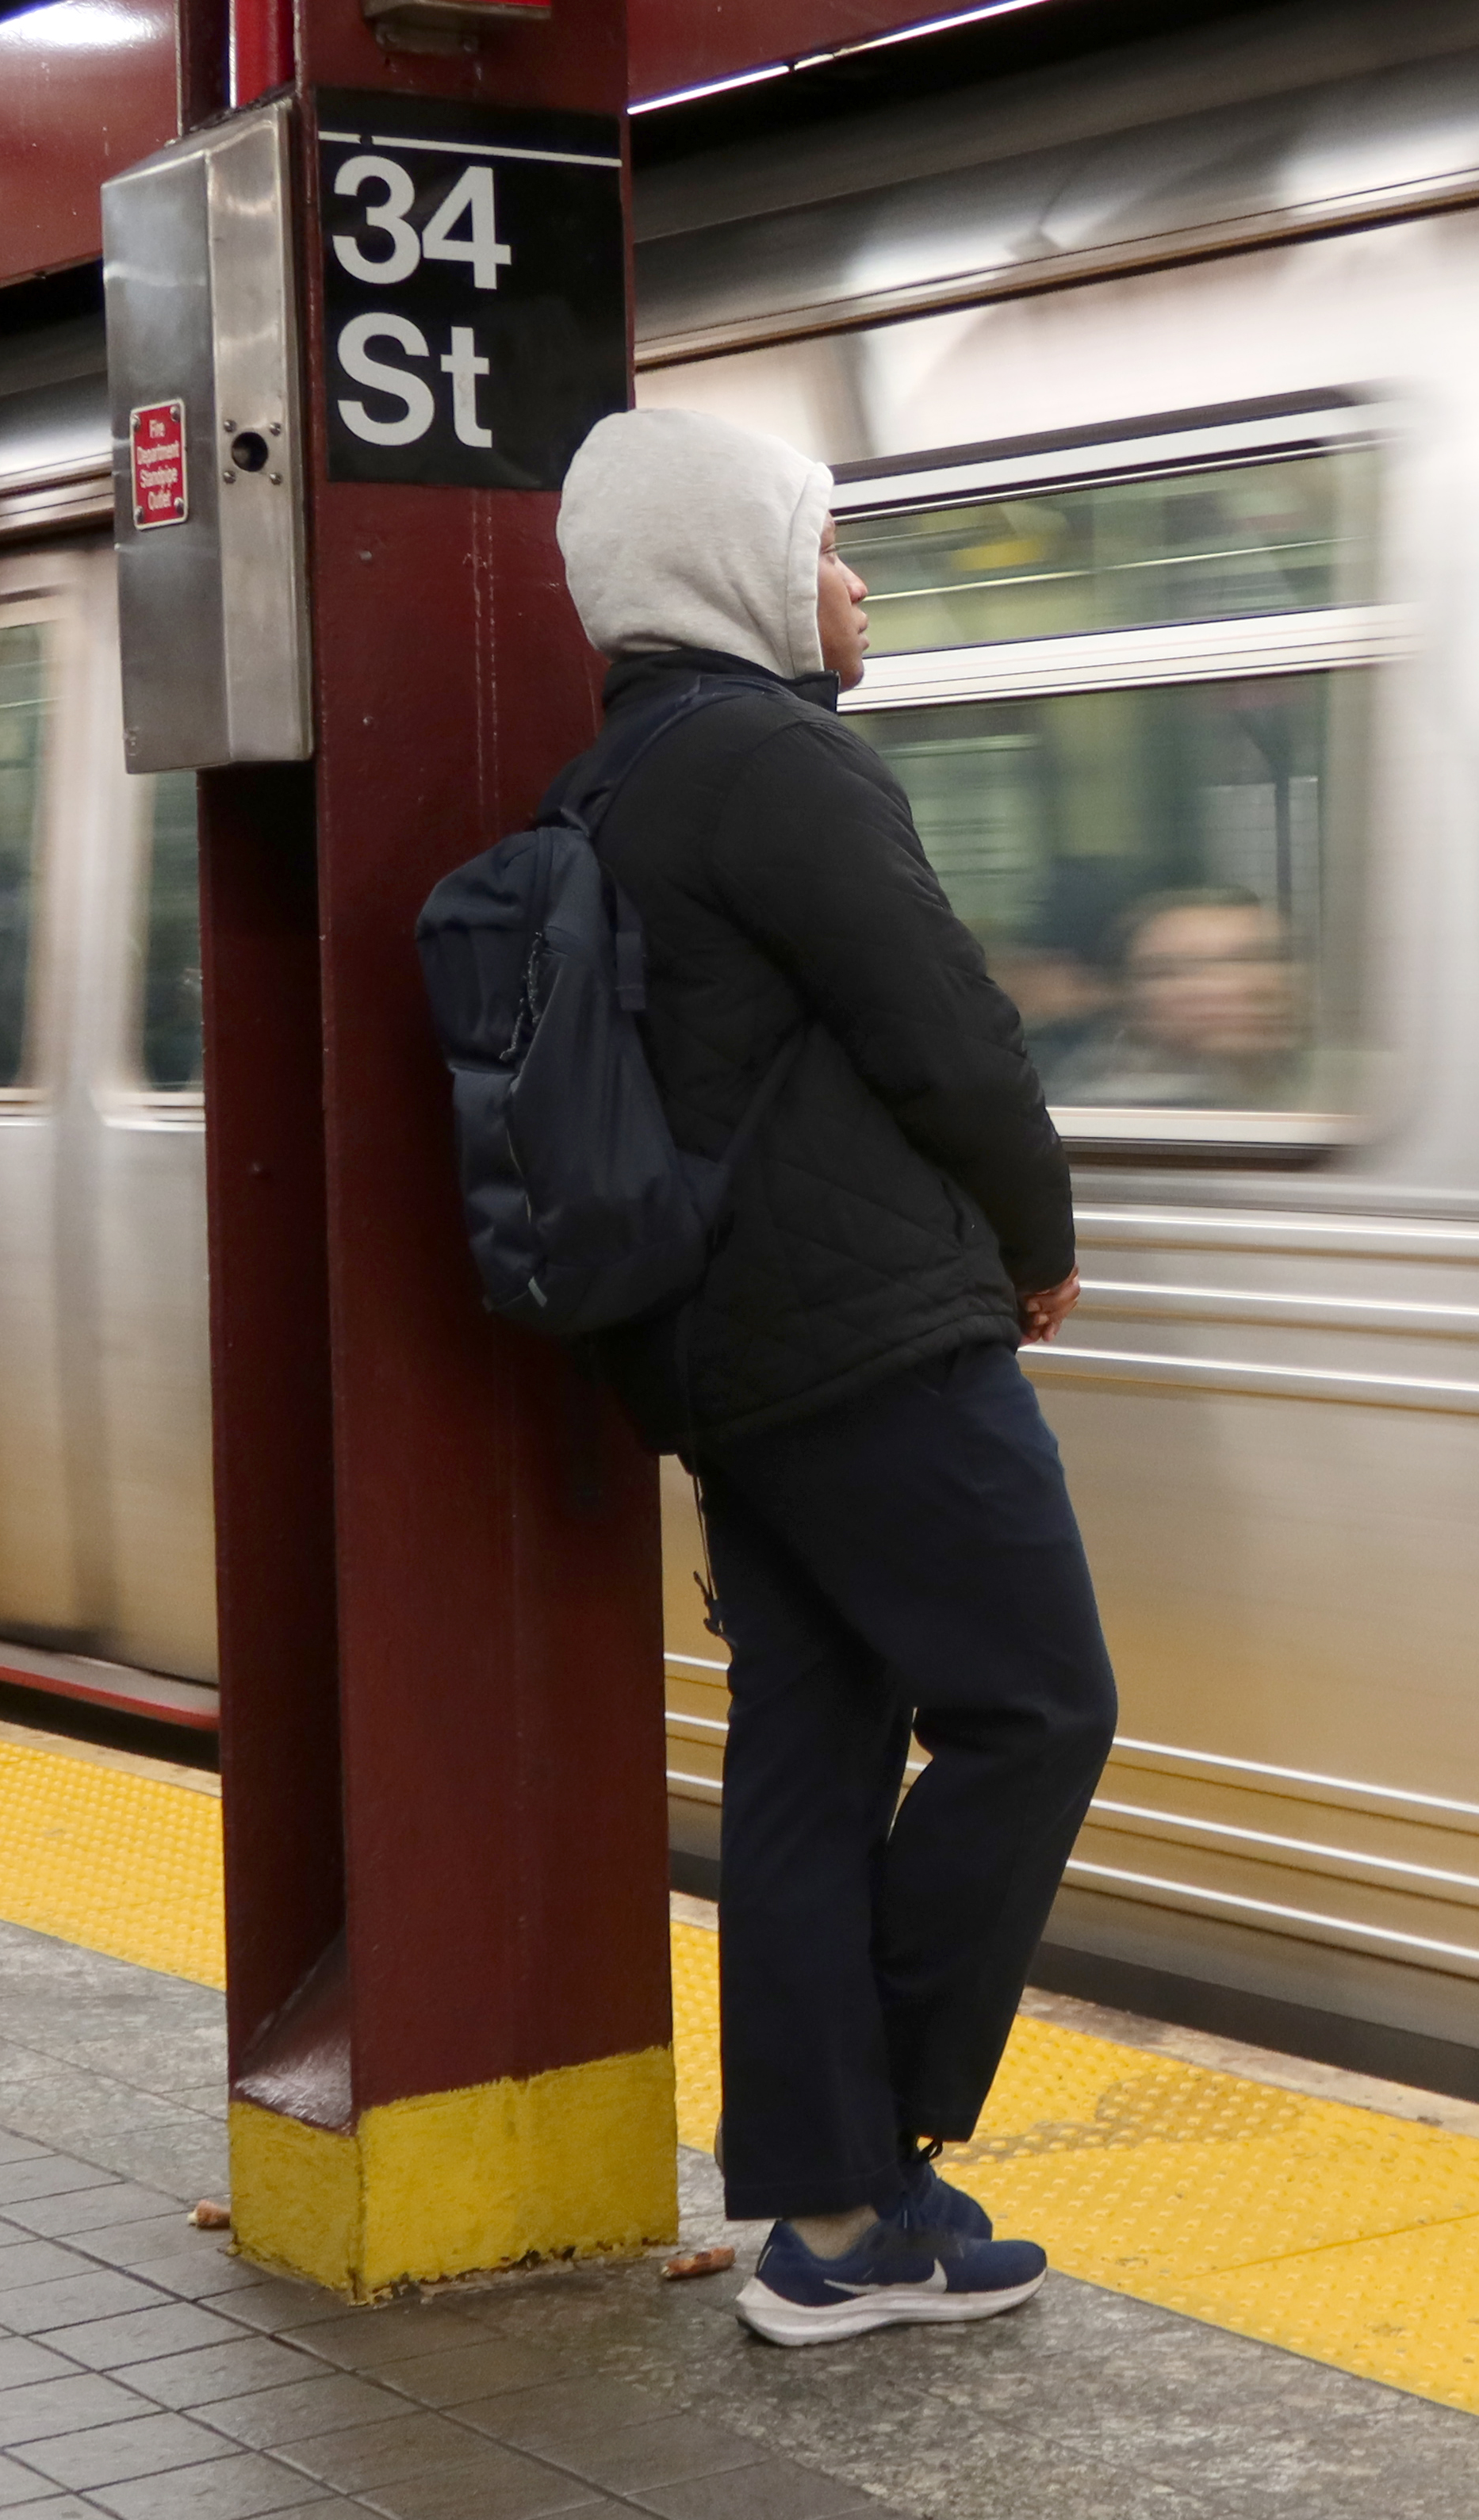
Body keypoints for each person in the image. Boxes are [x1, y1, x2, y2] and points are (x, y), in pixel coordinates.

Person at [552, 406, 1118, 2346]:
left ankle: (821, 2220)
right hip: (869, 1336)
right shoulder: (780, 763)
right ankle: (876, 2157)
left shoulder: (622, 776)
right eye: (824, 543)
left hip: (725, 1356)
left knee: (810, 1745)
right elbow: (947, 1029)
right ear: (731, 568)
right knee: (1038, 1704)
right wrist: (1034, 1236)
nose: (857, 581)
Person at [1049, 887, 1305, 1108]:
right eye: (1175, 971)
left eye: (1259, 958)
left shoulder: (1332, 1090)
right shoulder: (1100, 1116)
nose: (1229, 986)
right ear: (1129, 999)